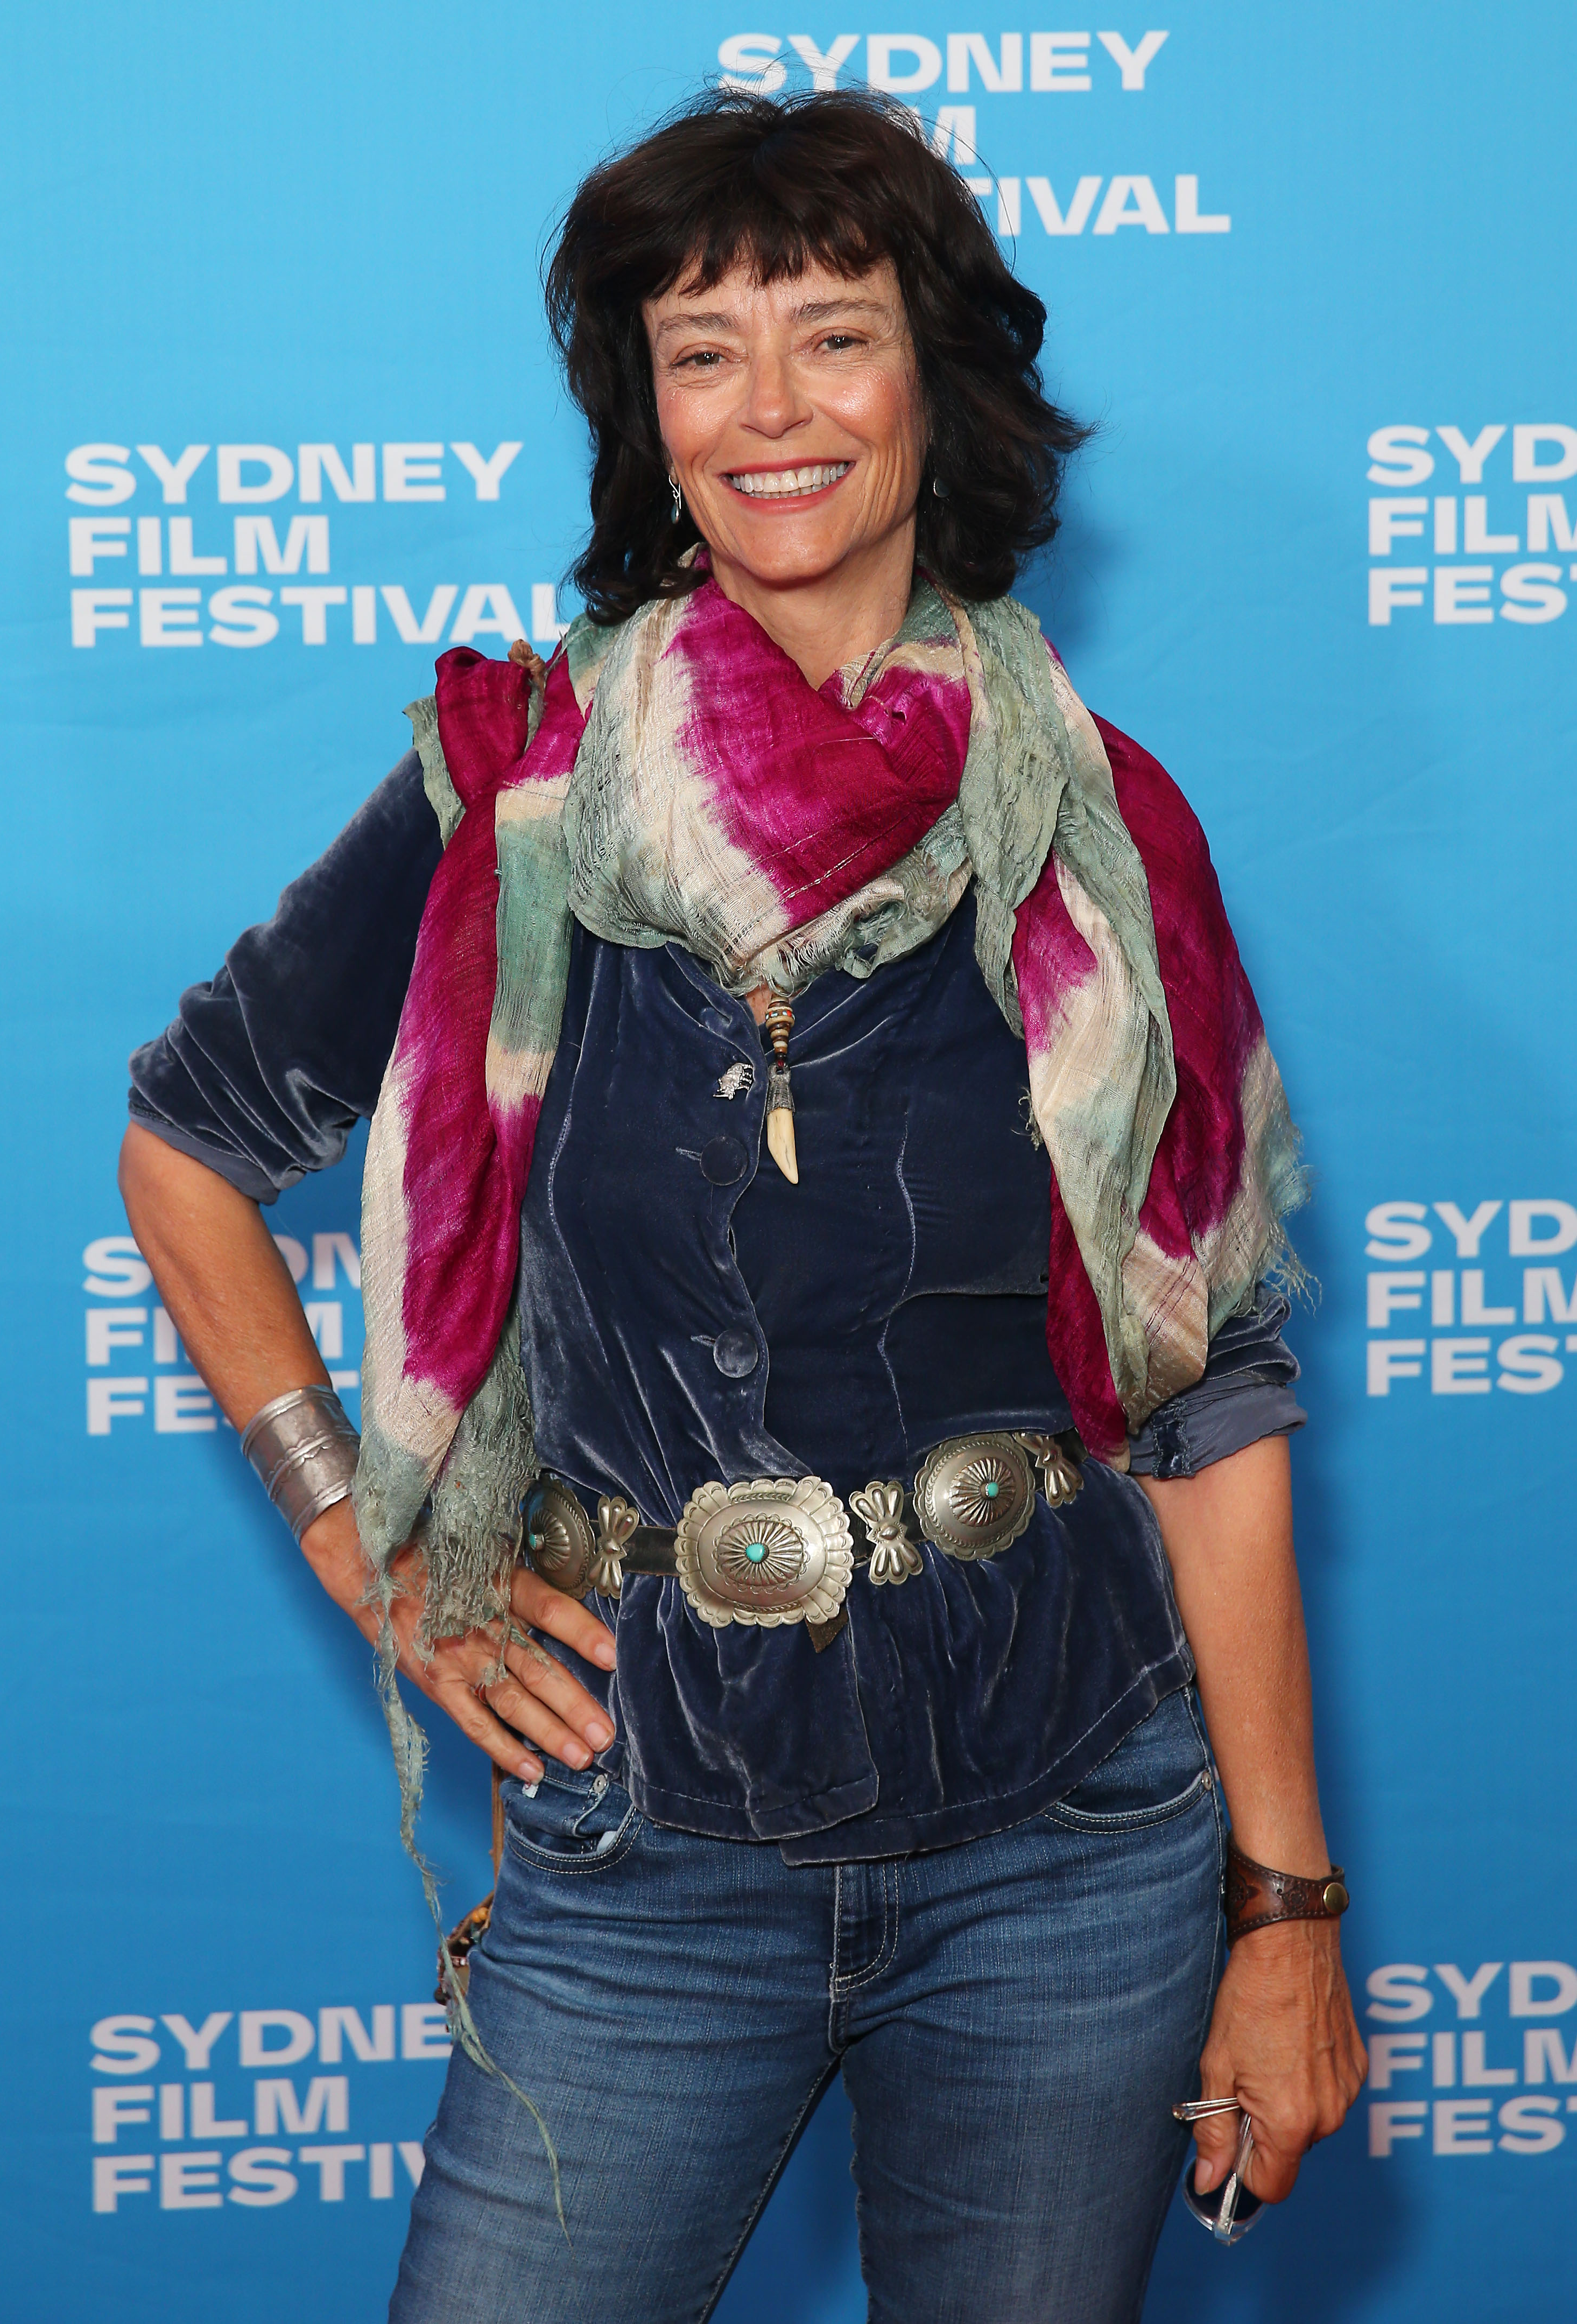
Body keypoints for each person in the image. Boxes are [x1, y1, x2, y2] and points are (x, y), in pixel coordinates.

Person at [121, 87, 1365, 2324]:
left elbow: (1209, 1409)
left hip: (1070, 1845)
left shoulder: (1106, 836)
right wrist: (354, 1529)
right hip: (645, 1844)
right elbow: (192, 1143)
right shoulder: (508, 786)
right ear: (647, 418)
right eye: (703, 354)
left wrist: (1284, 1918)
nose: (769, 409)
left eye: (830, 335)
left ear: (933, 384)